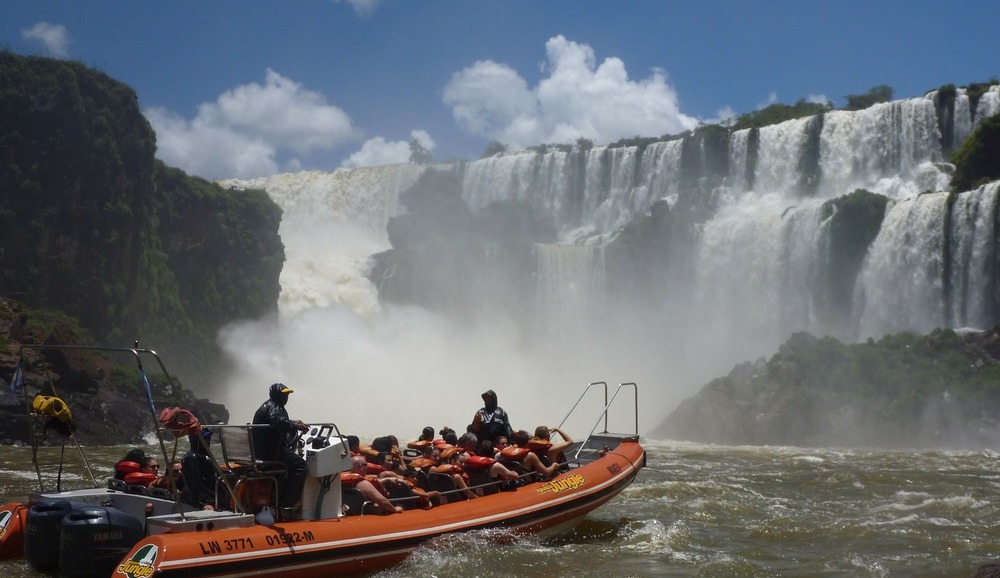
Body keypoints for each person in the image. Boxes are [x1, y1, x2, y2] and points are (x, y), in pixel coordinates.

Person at [252, 382, 309, 508]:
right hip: (271, 452)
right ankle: (287, 502)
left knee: (290, 465)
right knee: (301, 465)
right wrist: (295, 425)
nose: (286, 397)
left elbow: (277, 420)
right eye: (283, 395)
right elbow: (278, 422)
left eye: (287, 395)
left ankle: (278, 499)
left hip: (262, 451)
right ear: (275, 395)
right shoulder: (274, 407)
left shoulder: (268, 406)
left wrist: (293, 422)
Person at [182, 429, 217, 510]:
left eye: (209, 438)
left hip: (213, 497)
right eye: (205, 438)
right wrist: (204, 503)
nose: (208, 440)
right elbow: (194, 484)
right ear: (196, 441)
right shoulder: (192, 458)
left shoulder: (204, 455)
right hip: (204, 502)